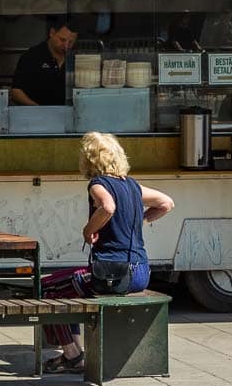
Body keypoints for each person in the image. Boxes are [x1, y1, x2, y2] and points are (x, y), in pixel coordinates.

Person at [41, 132, 174, 373]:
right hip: (141, 272)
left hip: (112, 274)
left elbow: (108, 206)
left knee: (48, 287)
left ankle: (72, 354)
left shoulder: (98, 184)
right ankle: (74, 351)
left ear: (90, 160)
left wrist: (89, 229)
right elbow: (166, 203)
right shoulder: (132, 186)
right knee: (66, 286)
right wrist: (139, 221)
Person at [10, 17, 77, 106]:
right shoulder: (32, 56)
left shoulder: (76, 58)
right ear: (52, 33)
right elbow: (16, 92)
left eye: (71, 42)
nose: (66, 46)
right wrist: (37, 109)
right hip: (36, 115)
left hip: (67, 114)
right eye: (62, 40)